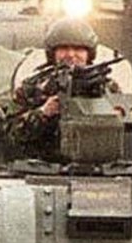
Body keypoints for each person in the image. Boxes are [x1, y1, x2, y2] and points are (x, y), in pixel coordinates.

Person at [7, 16, 107, 159]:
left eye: (78, 49)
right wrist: (43, 113)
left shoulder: (106, 88)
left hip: (97, 166)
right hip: (43, 167)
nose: (71, 54)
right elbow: (10, 133)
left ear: (89, 53)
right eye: (64, 48)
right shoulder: (32, 88)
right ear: (52, 53)